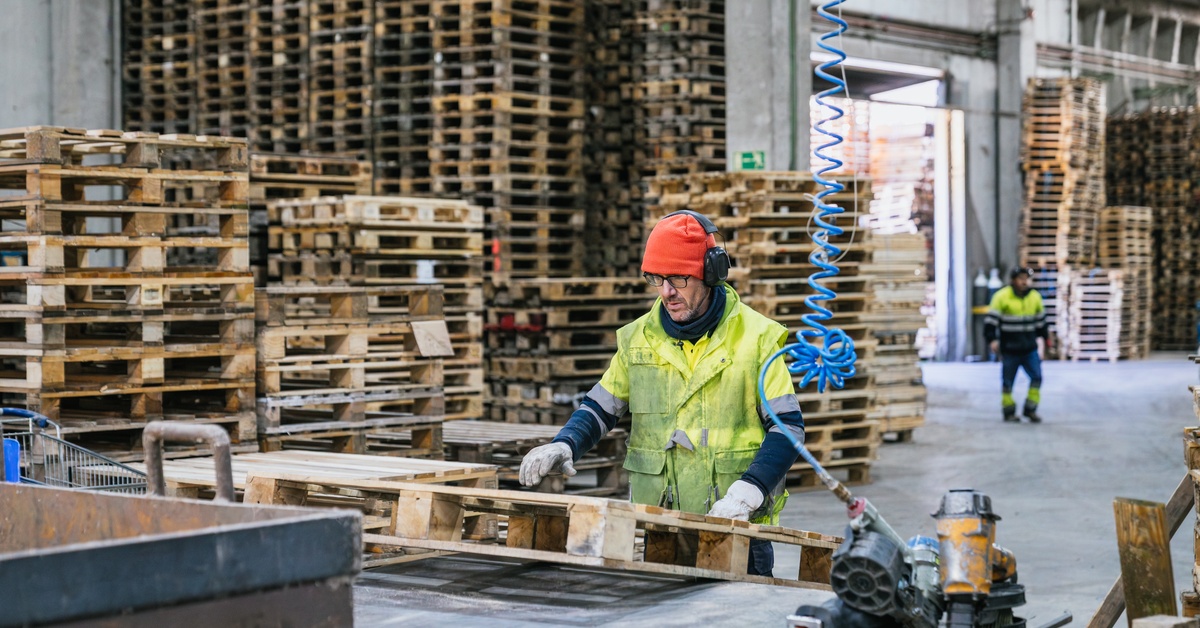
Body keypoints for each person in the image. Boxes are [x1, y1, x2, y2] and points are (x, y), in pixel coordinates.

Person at [518, 210, 804, 577]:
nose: (667, 291)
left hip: (735, 527)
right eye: (657, 279)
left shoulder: (756, 339)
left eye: (679, 279)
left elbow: (788, 428)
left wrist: (750, 491)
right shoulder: (639, 339)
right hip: (659, 529)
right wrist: (565, 443)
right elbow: (601, 408)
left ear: (710, 272)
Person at [983, 267, 1050, 423]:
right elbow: (990, 323)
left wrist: (1045, 341)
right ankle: (1008, 411)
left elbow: (1041, 324)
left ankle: (1030, 409)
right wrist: (992, 340)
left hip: (1029, 348)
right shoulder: (1001, 297)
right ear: (1013, 280)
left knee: (1037, 378)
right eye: (1021, 278)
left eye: (1026, 278)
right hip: (1010, 349)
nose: (1024, 281)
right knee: (1007, 382)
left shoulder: (1035, 298)